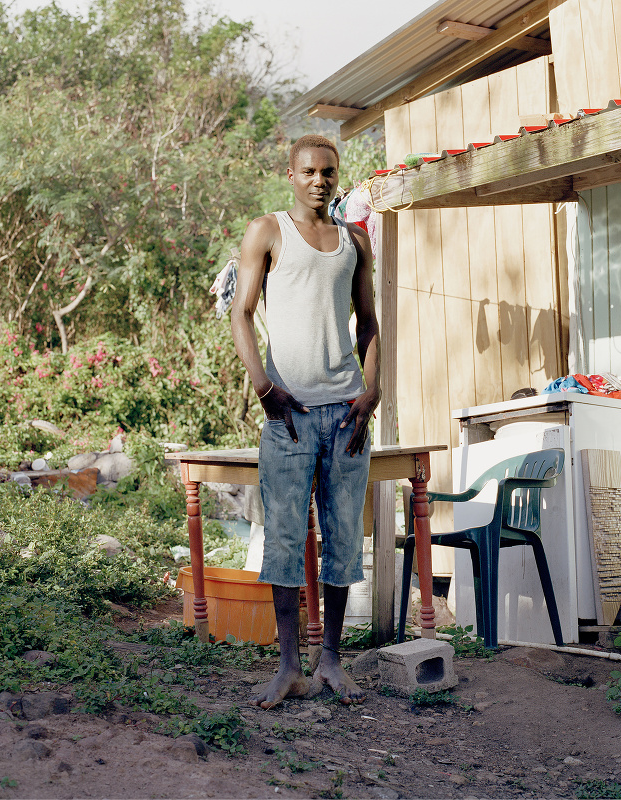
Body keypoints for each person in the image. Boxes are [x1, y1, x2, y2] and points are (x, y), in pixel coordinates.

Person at [230, 134, 380, 709]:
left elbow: (368, 322)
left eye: (329, 172)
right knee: (286, 539)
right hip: (287, 415)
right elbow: (242, 314)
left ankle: (332, 663)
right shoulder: (267, 232)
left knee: (343, 540)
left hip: (346, 414)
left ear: (338, 177)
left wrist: (373, 392)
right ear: (290, 174)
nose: (320, 180)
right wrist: (264, 388)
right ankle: (289, 666)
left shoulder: (354, 241)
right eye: (310, 171)